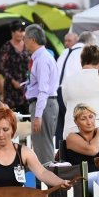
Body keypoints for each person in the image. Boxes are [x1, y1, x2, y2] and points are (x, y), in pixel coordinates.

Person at [60, 45, 99, 139]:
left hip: (70, 134)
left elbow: (66, 104)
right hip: (96, 133)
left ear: (82, 61)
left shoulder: (68, 79)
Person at [24, 24, 60, 165]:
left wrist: (38, 115)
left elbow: (43, 89)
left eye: (25, 38)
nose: (24, 41)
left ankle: (54, 186)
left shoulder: (42, 59)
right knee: (42, 147)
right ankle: (50, 184)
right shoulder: (42, 57)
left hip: (43, 105)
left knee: (43, 151)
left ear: (32, 39)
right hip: (45, 104)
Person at [55, 31, 95, 144]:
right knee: (76, 126)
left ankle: (59, 156)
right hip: (71, 92)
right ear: (90, 43)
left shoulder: (65, 52)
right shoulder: (84, 53)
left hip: (57, 92)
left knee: (60, 128)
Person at [0, 20, 30, 114]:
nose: (22, 33)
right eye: (19, 31)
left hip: (26, 86)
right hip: (11, 88)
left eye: (23, 31)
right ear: (13, 32)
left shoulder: (27, 45)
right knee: (13, 115)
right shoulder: (6, 47)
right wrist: (13, 81)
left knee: (27, 115)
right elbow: (3, 68)